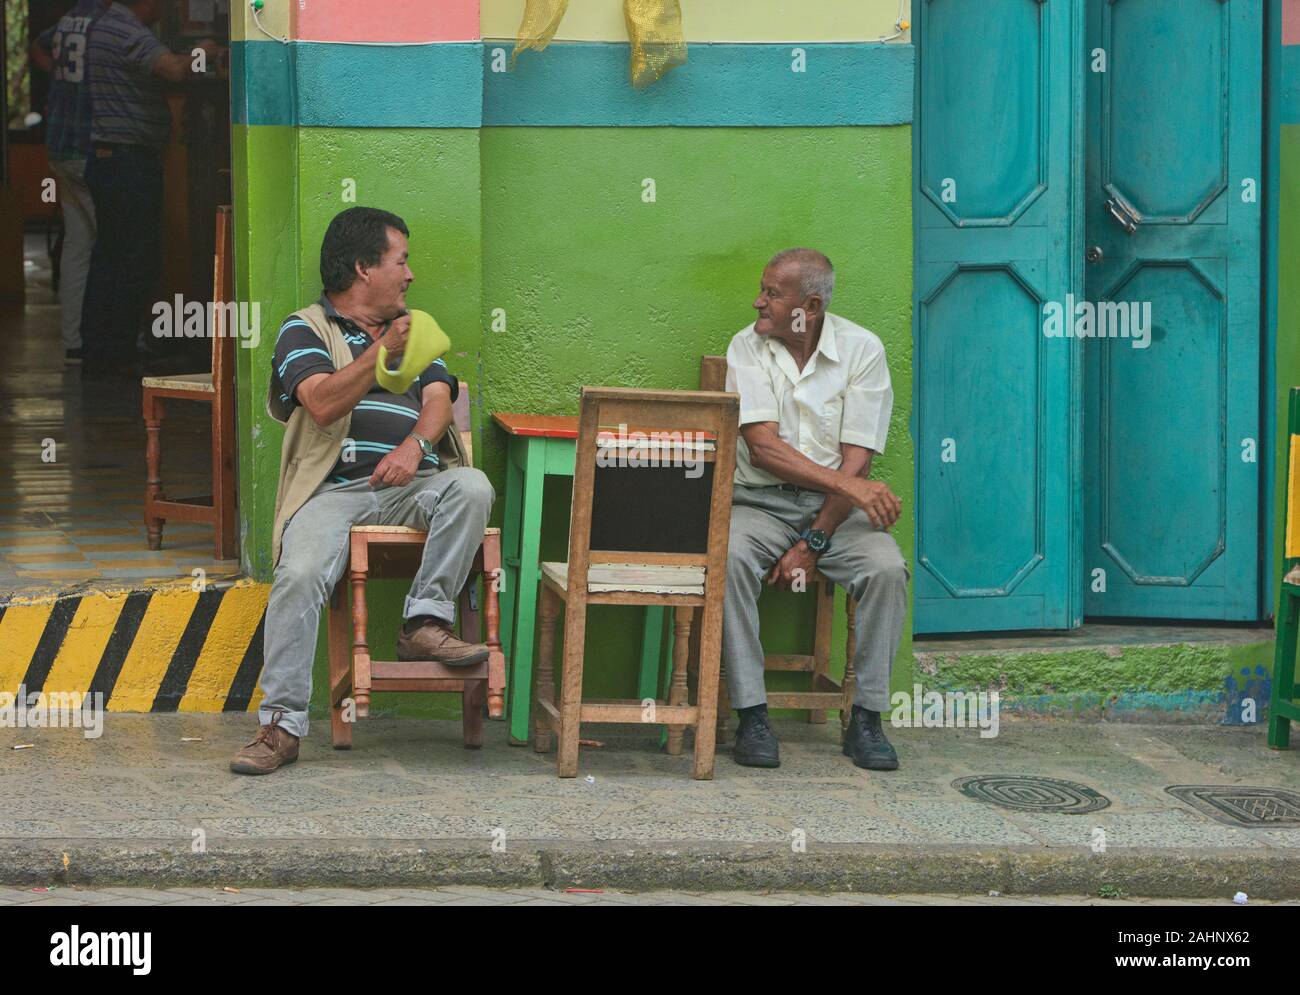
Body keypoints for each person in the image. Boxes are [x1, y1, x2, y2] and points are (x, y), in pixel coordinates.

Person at [230, 207, 496, 775]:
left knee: (471, 485)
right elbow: (322, 402)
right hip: (333, 491)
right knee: (299, 575)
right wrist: (380, 354)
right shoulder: (303, 328)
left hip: (413, 485)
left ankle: (424, 622)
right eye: (400, 261)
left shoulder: (415, 327)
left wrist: (414, 448)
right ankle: (280, 727)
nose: (410, 275)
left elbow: (439, 399)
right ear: (362, 268)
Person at [722, 248, 908, 771]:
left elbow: (858, 458)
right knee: (729, 559)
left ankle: (867, 718)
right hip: (758, 503)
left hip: (836, 513)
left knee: (887, 569)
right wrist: (856, 491)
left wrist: (815, 543)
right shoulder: (746, 347)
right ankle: (752, 715)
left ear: (809, 306)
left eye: (771, 294)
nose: (757, 301)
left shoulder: (862, 350)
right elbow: (764, 449)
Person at [78, 0, 219, 370]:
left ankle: (101, 353)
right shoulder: (124, 29)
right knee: (132, 258)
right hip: (127, 162)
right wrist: (202, 54)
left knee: (111, 256)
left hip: (114, 159)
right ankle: (117, 354)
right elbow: (173, 71)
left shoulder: (111, 24)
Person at [30, 0, 108, 365]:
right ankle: (107, 338)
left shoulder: (67, 21)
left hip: (58, 144)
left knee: (77, 245)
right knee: (110, 244)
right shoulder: (105, 24)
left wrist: (58, 76)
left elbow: (39, 47)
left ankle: (74, 340)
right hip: (87, 147)